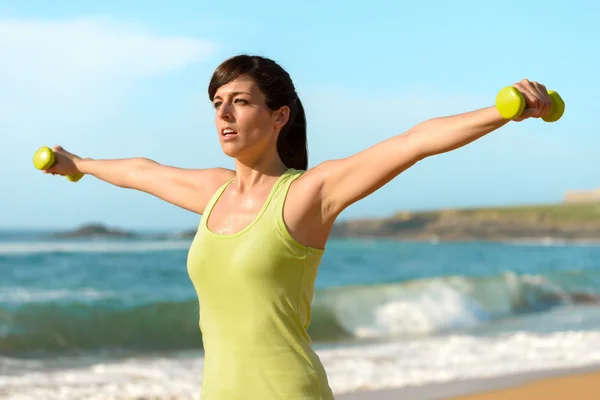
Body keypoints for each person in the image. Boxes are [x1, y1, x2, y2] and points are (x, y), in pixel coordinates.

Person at [42, 54, 554, 399]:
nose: (224, 113)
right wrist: (79, 164)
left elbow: (412, 141)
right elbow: (141, 172)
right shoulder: (213, 193)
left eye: (240, 101)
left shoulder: (307, 195)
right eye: (217, 103)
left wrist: (506, 111)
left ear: (279, 115)